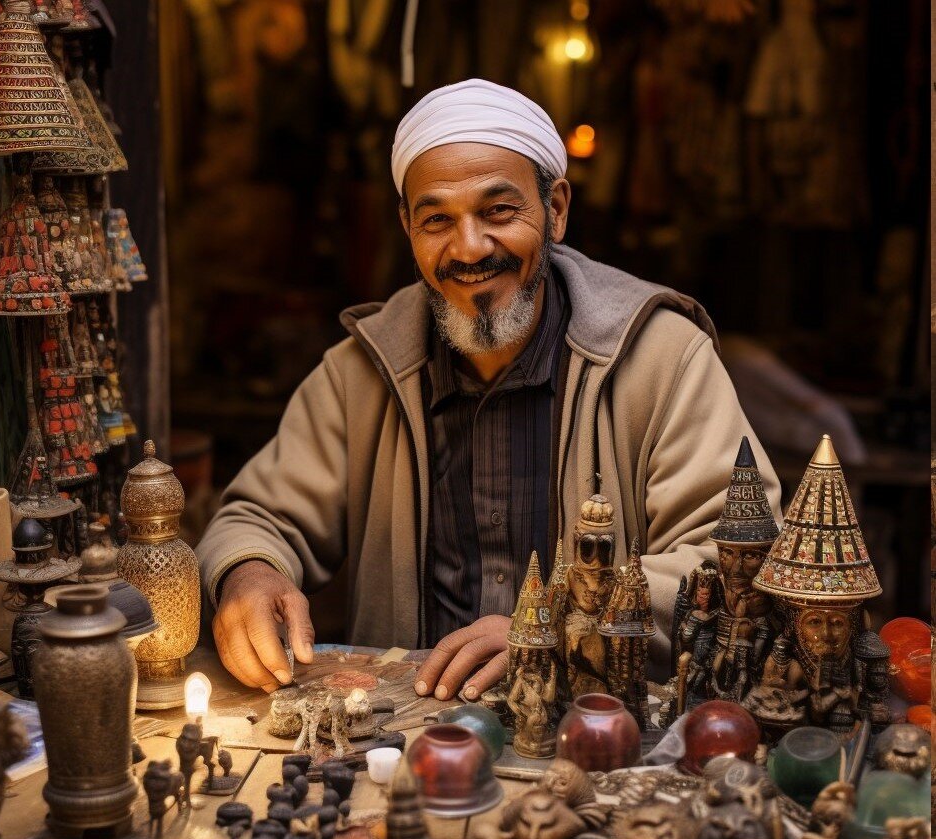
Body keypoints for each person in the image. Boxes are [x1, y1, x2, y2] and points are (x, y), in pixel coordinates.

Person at [197, 79, 781, 699]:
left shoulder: (661, 357)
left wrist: (556, 625)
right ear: (406, 228)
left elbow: (738, 558)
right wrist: (248, 573)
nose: (469, 247)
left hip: (598, 728)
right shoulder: (361, 374)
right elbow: (256, 517)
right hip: (409, 737)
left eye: (499, 212)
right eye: (437, 221)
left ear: (554, 209)